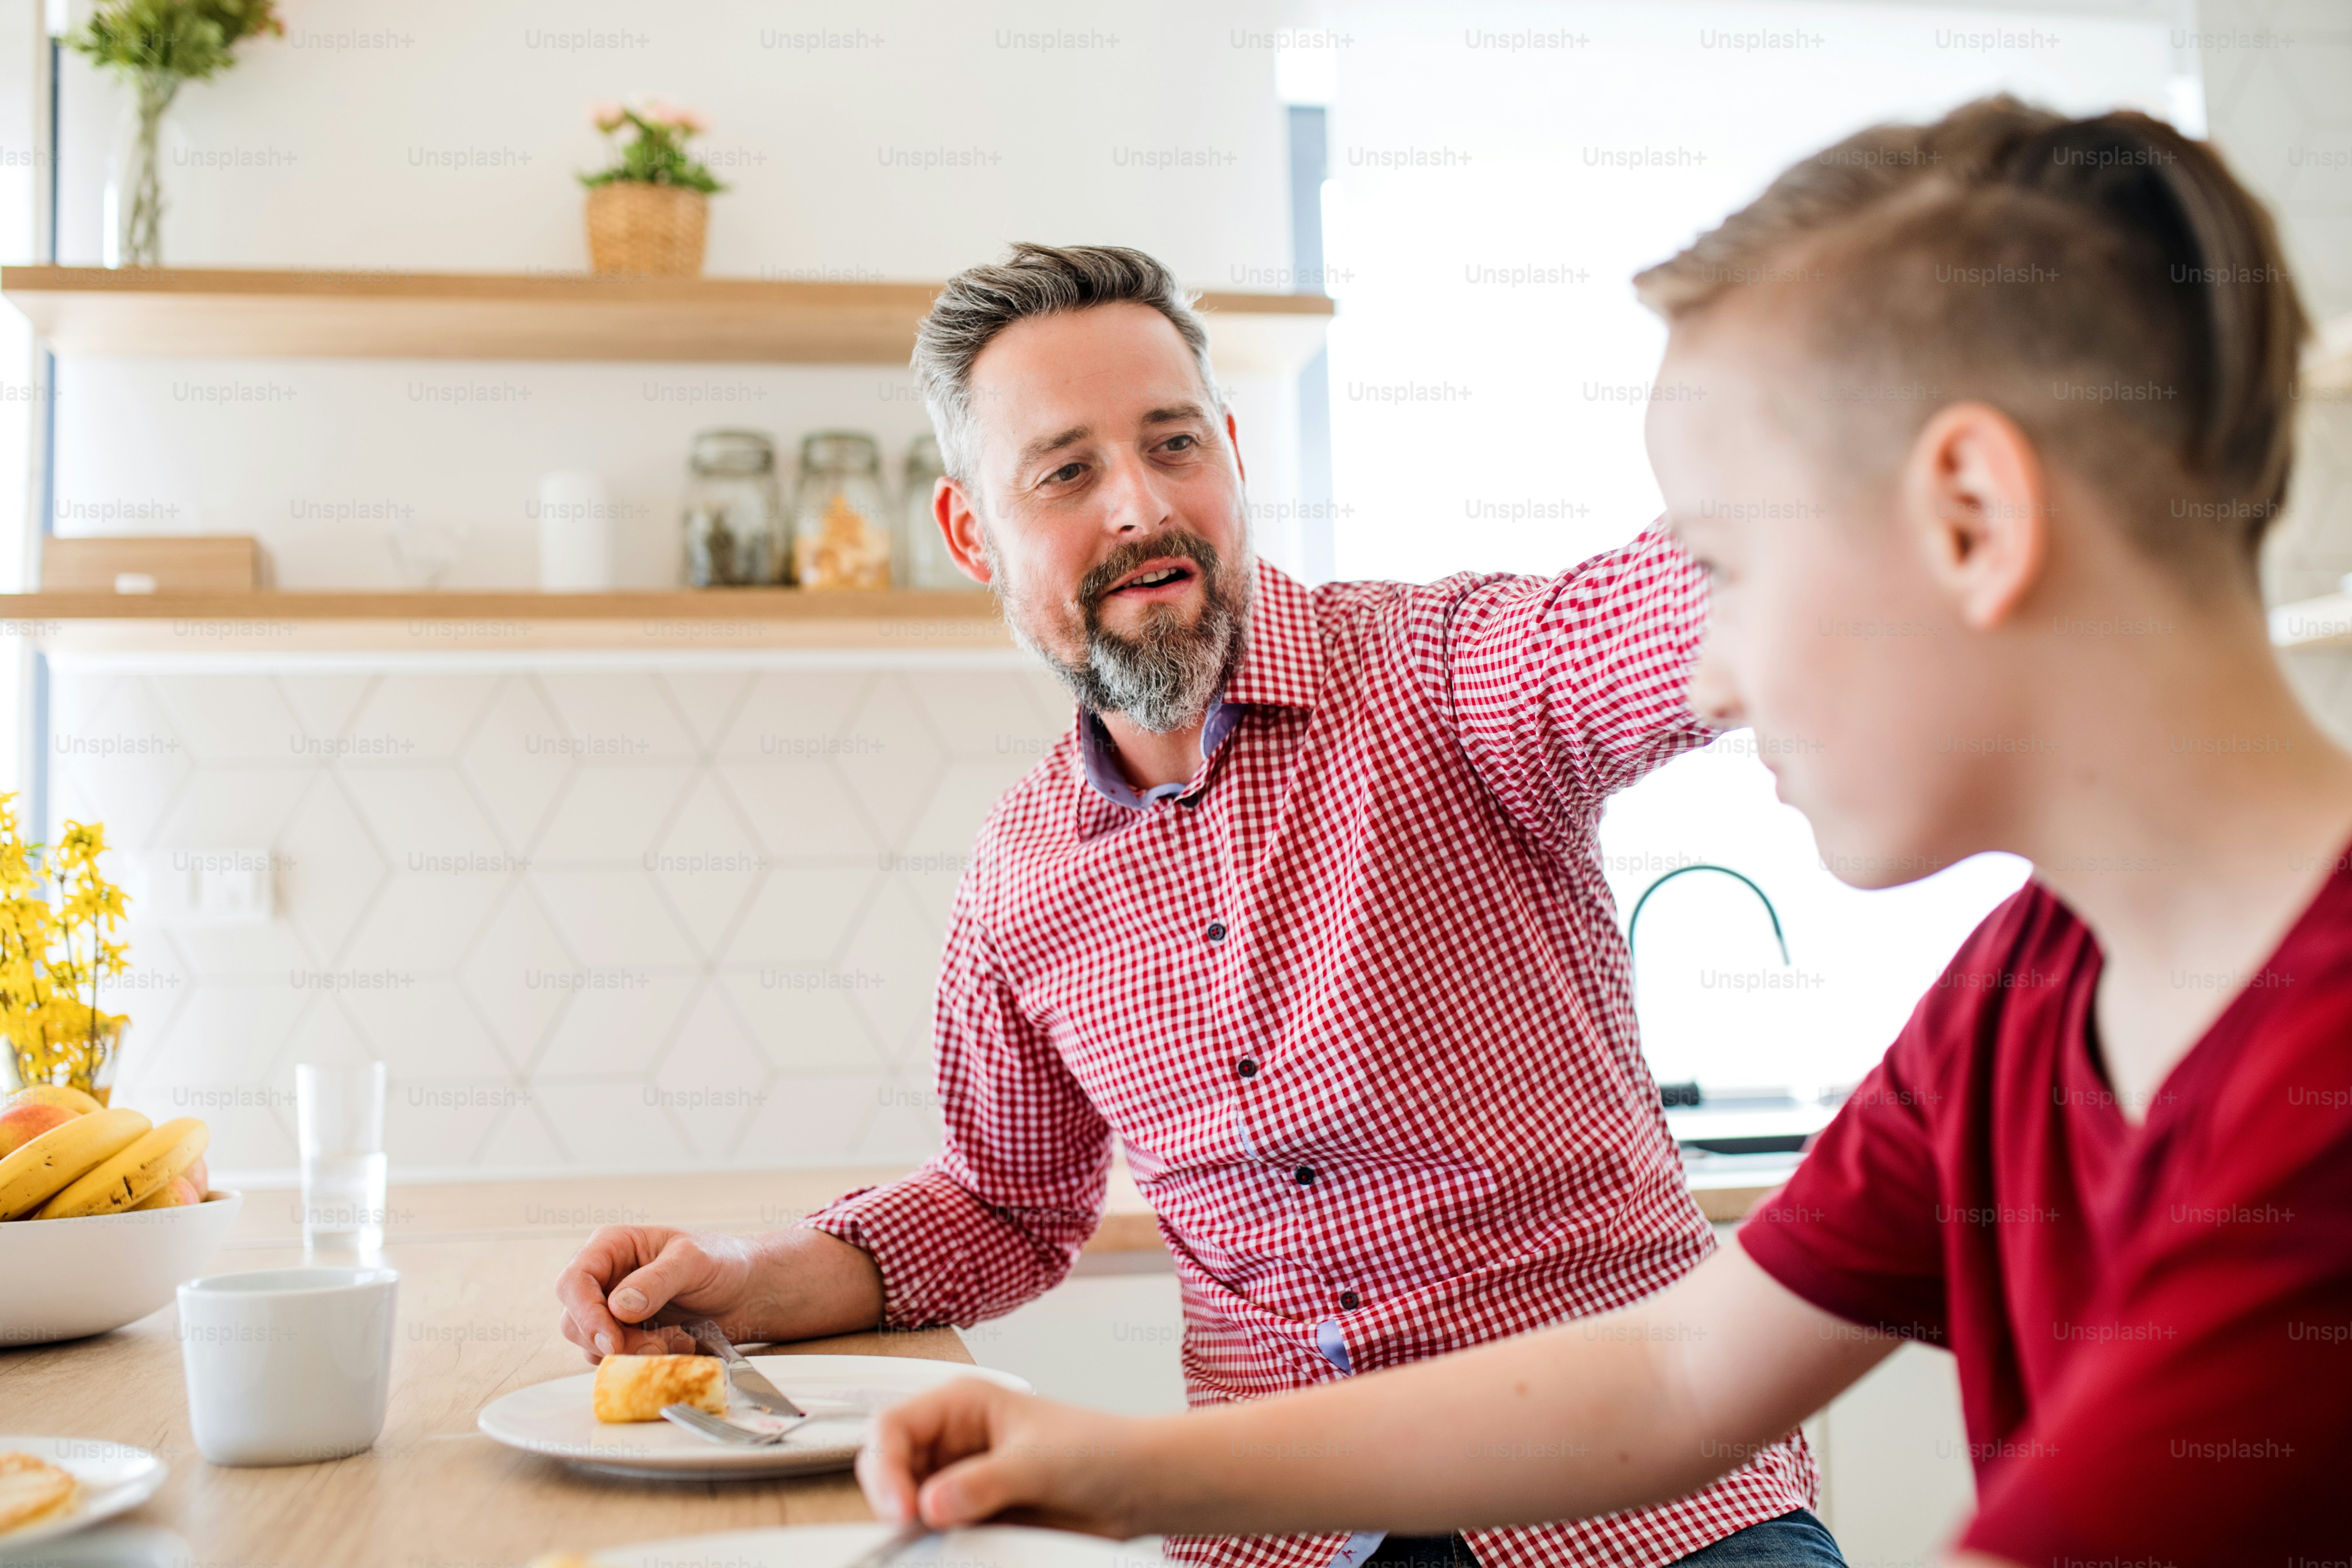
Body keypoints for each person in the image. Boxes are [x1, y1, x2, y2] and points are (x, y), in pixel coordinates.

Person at [853, 98, 2352, 1568]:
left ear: (1972, 517)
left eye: (1726, 564)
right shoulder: (2020, 1001)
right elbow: (1677, 1378)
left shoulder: (2315, 1095)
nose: (1709, 666)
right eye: (1065, 468)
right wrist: (1109, 1474)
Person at [554, 241, 1839, 1566]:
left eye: (1174, 446)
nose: (1137, 507)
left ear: (1232, 454)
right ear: (968, 533)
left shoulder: (1443, 677)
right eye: (1065, 472)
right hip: (1277, 1531)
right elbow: (1002, 1203)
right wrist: (743, 1279)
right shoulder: (1020, 875)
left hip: (1646, 1511)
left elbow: (1642, 618)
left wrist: (1835, 457)